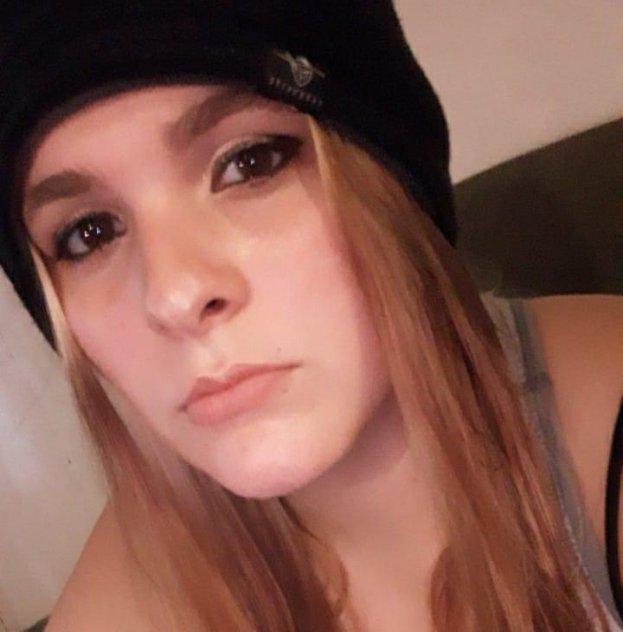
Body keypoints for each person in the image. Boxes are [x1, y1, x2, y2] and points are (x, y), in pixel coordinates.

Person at [0, 1, 612, 630]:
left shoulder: (603, 422)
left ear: (385, 182)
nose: (173, 295)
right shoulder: (132, 586)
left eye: (250, 162)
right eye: (90, 233)